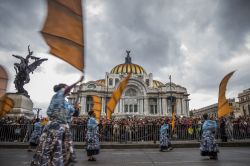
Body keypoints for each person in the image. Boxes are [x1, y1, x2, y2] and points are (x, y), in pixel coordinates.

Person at [31, 76, 83, 166]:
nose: (69, 91)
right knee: (50, 148)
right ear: (62, 89)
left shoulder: (66, 103)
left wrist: (76, 109)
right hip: (55, 127)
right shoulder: (57, 96)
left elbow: (74, 114)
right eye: (66, 89)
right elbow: (66, 89)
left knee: (61, 151)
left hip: (64, 129)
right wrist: (78, 81)